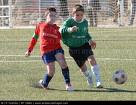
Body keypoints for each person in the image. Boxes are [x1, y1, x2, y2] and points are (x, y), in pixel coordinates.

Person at [25, 7, 73, 91]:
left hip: (57, 49)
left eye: (54, 16)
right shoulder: (40, 25)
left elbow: (64, 39)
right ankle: (44, 83)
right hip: (46, 52)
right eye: (50, 15)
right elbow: (34, 38)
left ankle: (68, 84)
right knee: (51, 71)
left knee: (63, 63)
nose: (52, 17)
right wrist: (29, 50)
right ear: (46, 15)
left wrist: (71, 37)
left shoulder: (57, 29)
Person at [60, 4, 103, 88]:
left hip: (84, 45)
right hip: (73, 48)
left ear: (83, 14)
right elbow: (61, 30)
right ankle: (89, 76)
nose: (79, 16)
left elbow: (86, 33)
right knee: (83, 68)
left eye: (81, 15)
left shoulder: (85, 22)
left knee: (92, 59)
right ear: (73, 14)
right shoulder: (69, 21)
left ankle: (98, 81)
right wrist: (70, 29)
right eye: (77, 15)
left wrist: (90, 40)